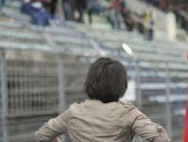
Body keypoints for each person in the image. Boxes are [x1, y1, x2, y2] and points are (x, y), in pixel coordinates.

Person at [34, 57, 170, 142]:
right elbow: (160, 138)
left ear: (90, 81)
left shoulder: (73, 112)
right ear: (121, 84)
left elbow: (41, 135)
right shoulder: (128, 112)